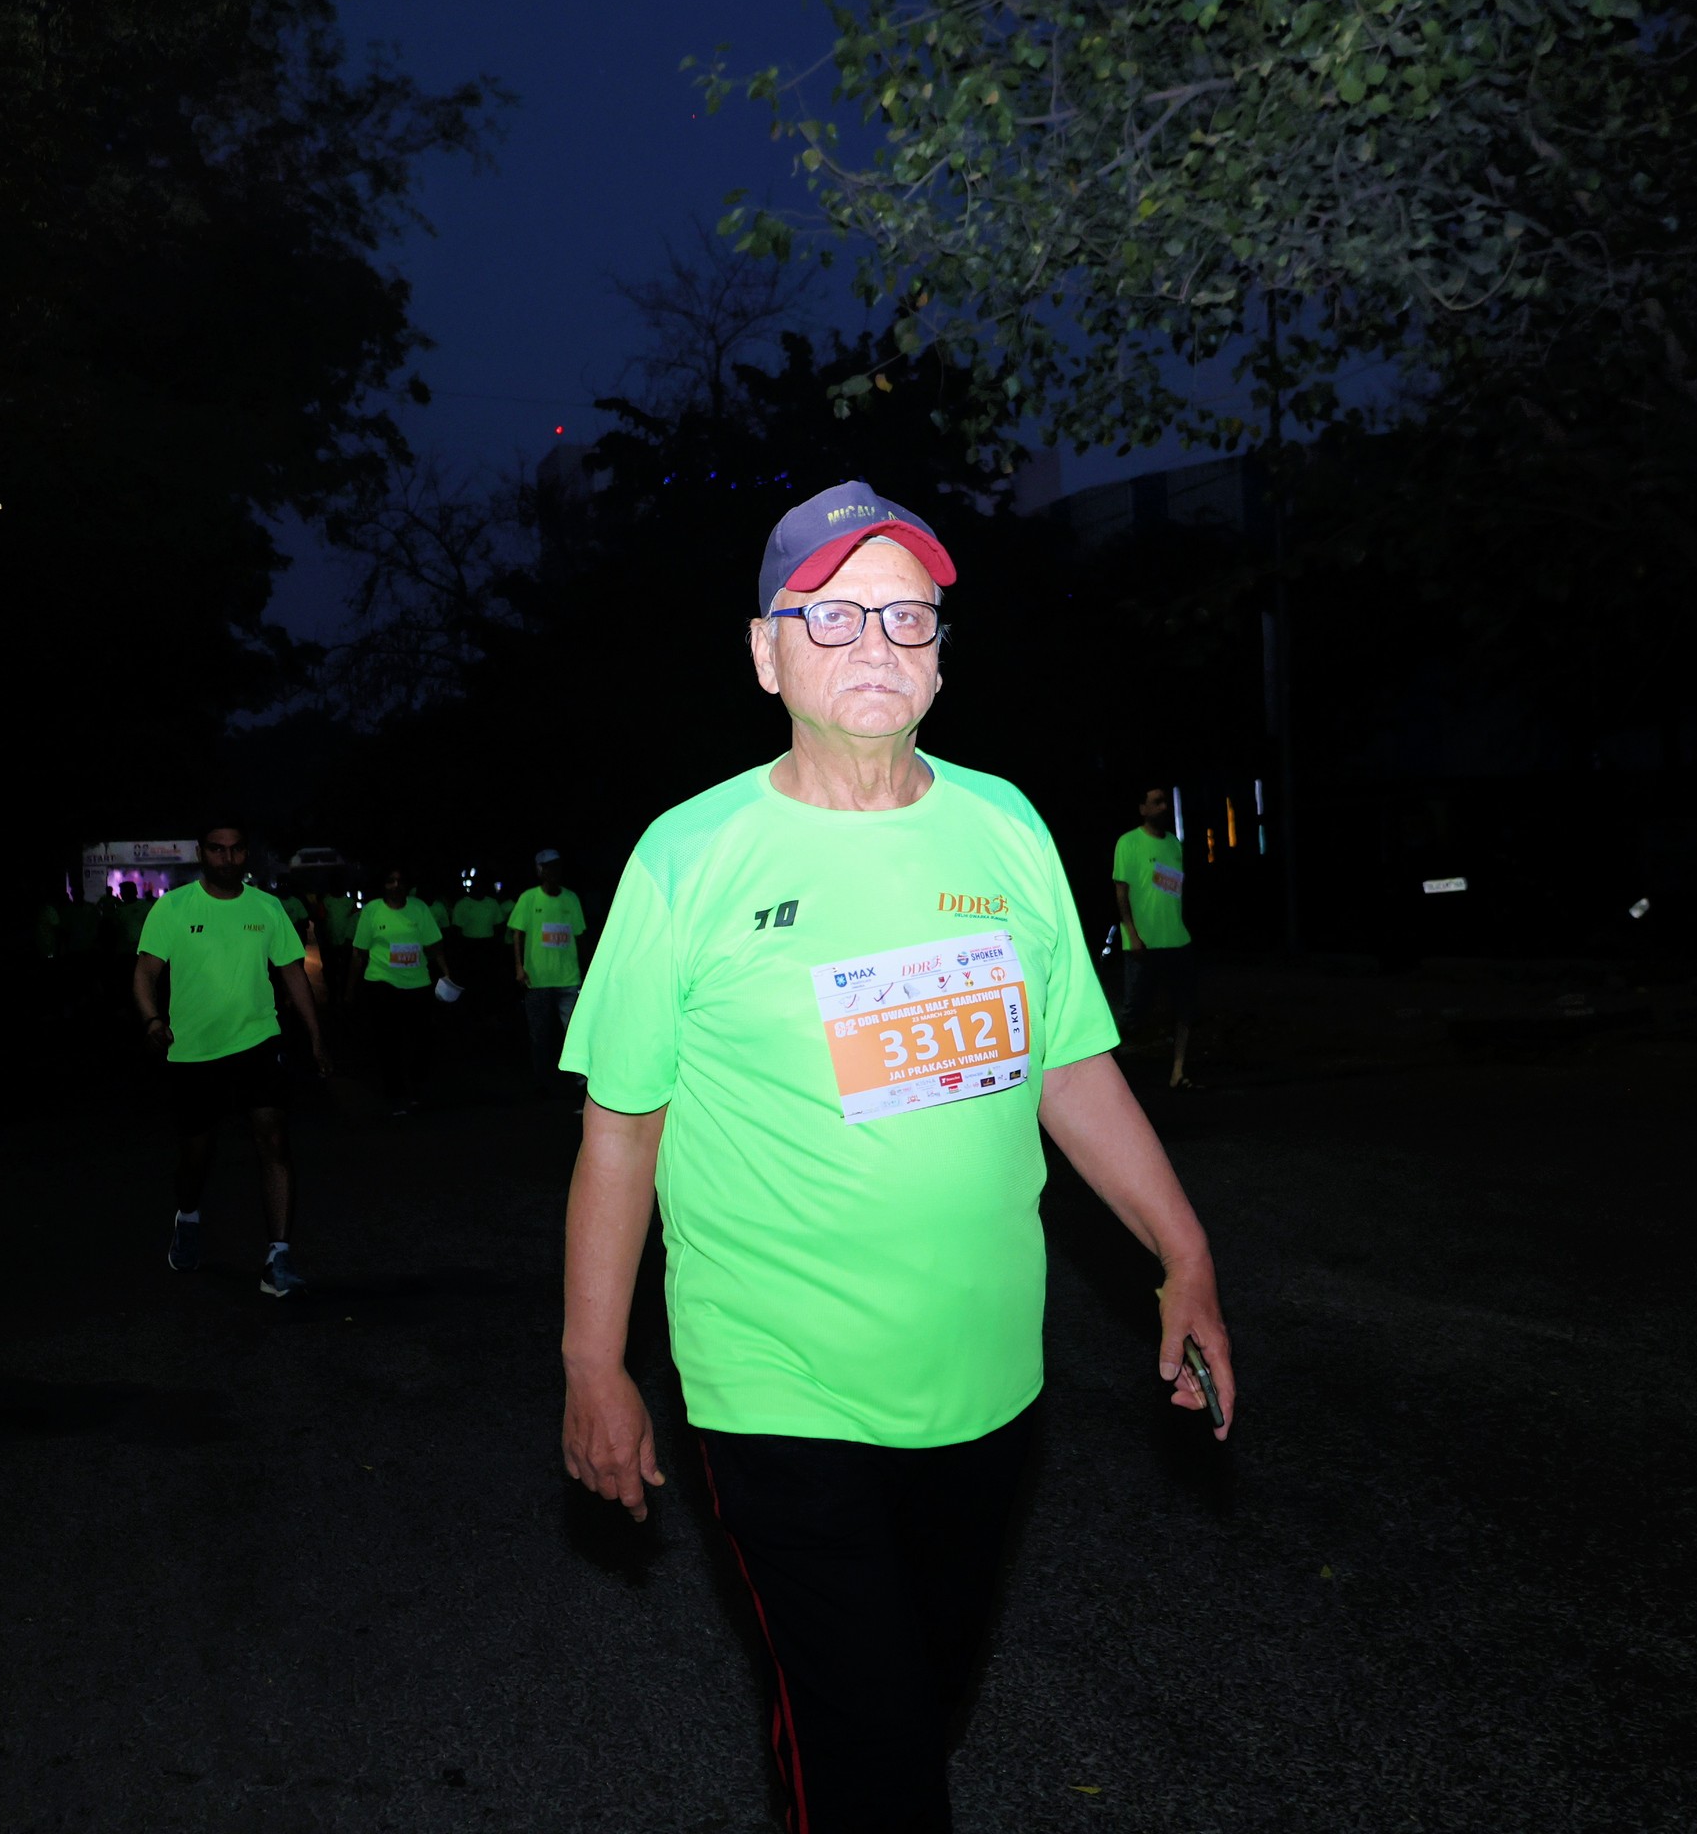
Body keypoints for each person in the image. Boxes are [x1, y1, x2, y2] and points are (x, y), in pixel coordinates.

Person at [558, 480, 1234, 1832]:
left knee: (919, 1698)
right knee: (875, 1761)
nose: (875, 642)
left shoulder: (1005, 827)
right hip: (778, 1386)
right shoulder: (688, 859)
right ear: (766, 654)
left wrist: (1185, 1251)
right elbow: (623, 1131)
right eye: (833, 614)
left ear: (940, 653)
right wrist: (592, 1363)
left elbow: (1066, 1067)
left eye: (908, 616)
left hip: (988, 1381)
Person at [133, 823, 327, 1297]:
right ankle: (188, 1216)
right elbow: (145, 972)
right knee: (196, 1154)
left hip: (258, 1042)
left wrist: (317, 1036)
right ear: (202, 853)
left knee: (274, 1138)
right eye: (217, 850)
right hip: (194, 1053)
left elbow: (292, 973)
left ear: (246, 854)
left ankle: (278, 1257)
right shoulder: (173, 907)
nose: (227, 858)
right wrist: (152, 1019)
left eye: (236, 850)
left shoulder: (267, 907)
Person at [1111, 785, 1201, 1090]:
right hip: (1143, 945)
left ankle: (1178, 1072)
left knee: (1184, 1008)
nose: (1163, 807)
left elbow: (1171, 890)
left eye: (1165, 802)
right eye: (1157, 802)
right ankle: (1111, 1072)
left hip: (1177, 941)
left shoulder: (1174, 844)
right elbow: (1121, 892)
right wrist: (1132, 934)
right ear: (1143, 808)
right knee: (1133, 1015)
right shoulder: (1128, 843)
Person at [346, 866, 447, 1117]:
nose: (395, 886)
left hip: (417, 983)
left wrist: (447, 974)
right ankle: (394, 1091)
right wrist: (349, 989)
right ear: (383, 885)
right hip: (382, 983)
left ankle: (417, 1085)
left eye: (400, 881)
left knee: (422, 1039)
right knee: (387, 1041)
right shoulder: (372, 910)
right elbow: (359, 952)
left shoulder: (419, 908)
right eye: (390, 881)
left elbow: (434, 945)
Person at [507, 848, 588, 1098]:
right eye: (549, 867)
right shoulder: (528, 898)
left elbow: (580, 936)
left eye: (557, 866)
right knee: (539, 1034)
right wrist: (519, 967)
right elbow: (517, 933)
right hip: (537, 979)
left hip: (568, 978)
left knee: (575, 1031)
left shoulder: (571, 899)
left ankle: (582, 1083)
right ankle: (541, 1081)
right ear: (539, 870)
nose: (554, 871)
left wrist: (585, 970)